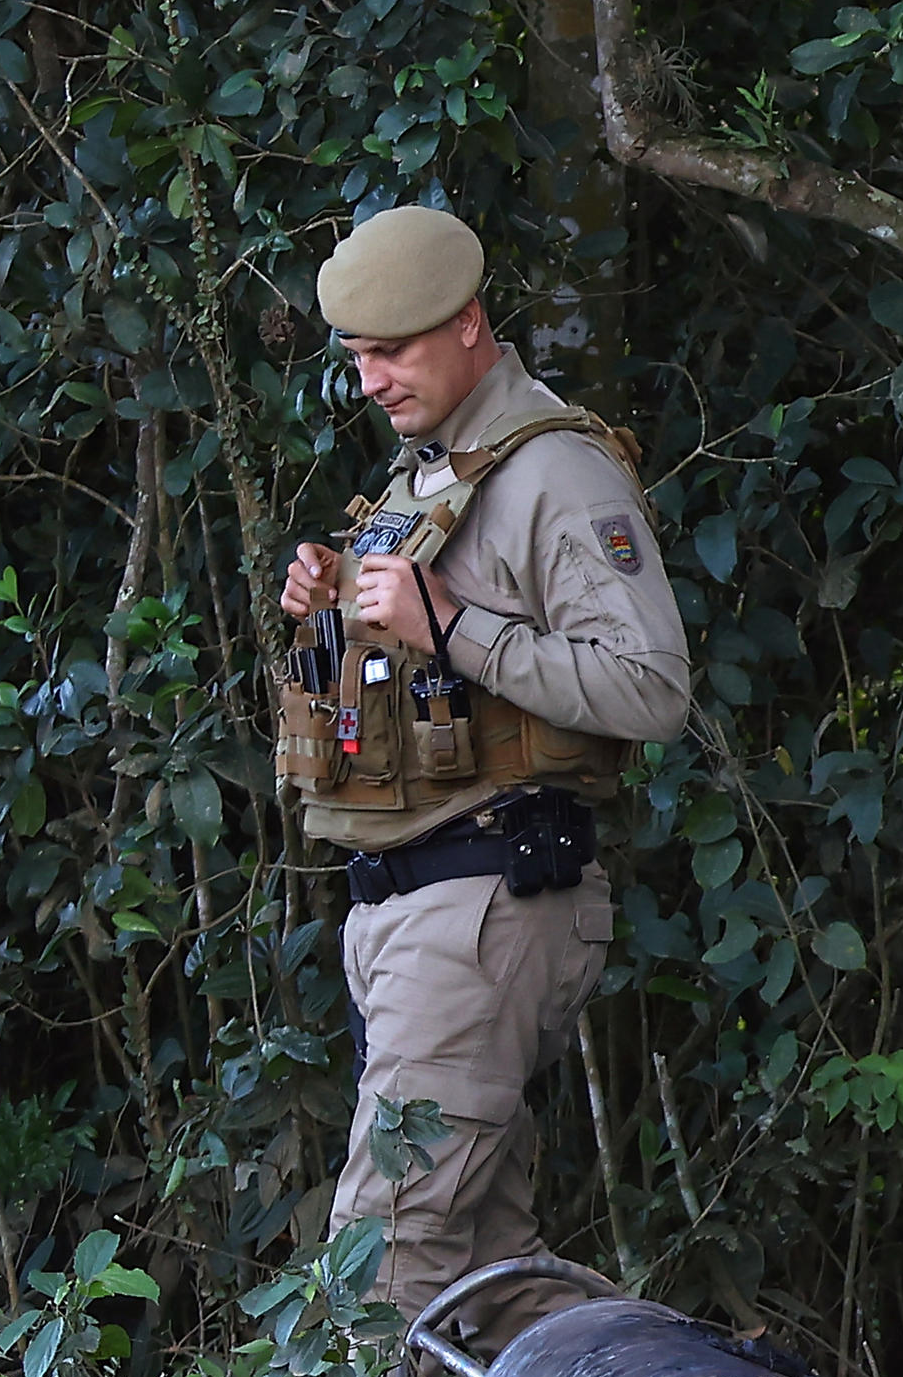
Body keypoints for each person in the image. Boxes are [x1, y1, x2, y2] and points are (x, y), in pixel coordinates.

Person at [272, 203, 689, 1320]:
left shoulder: (558, 473)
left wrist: (452, 624)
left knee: (383, 1257)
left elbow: (652, 688)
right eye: (355, 356)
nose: (369, 381)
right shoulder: (427, 474)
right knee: (490, 1286)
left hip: (486, 901)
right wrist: (328, 607)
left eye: (392, 351)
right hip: (405, 907)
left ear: (467, 324)